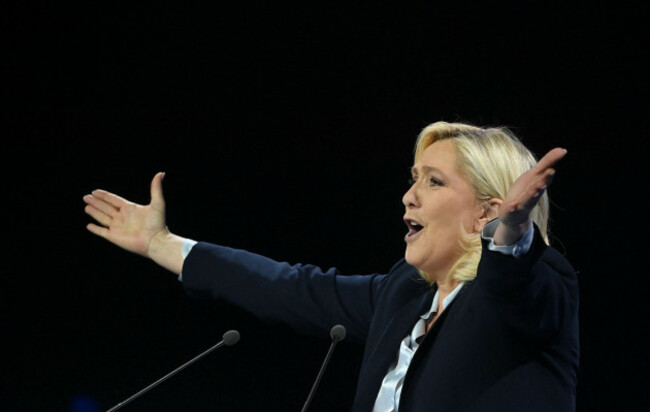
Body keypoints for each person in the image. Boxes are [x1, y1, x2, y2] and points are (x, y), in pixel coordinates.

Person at [83, 121, 579, 411]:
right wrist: (161, 244)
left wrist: (510, 233)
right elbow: (289, 288)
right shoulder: (404, 293)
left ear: (486, 212)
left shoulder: (533, 288)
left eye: (433, 182)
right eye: (413, 178)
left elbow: (515, 283)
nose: (408, 196)